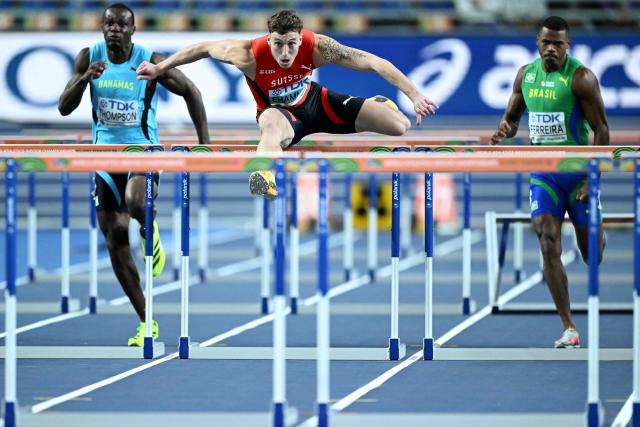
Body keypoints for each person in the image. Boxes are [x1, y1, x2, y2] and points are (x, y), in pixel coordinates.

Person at [137, 9, 438, 198]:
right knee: (269, 122)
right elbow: (201, 48)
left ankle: (378, 103)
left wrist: (414, 94)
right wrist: (160, 69)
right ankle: (262, 176)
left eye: (291, 44)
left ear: (300, 39)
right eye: (278, 44)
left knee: (399, 127)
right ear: (268, 40)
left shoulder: (319, 46)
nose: (285, 53)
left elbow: (372, 61)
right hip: (282, 117)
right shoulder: (246, 54)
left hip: (318, 104)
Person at [58, 3, 210, 347]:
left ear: (132, 30)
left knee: (136, 202)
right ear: (101, 28)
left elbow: (192, 92)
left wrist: (205, 145)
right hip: (103, 157)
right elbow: (64, 108)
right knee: (114, 237)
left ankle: (149, 227)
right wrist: (84, 79)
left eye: (121, 24)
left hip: (143, 150)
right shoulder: (88, 57)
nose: (114, 29)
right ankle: (146, 321)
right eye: (108, 24)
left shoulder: (149, 59)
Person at [491, 16, 608, 348]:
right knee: (546, 237)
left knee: (592, 255)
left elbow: (602, 130)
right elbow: (512, 120)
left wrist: (593, 178)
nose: (552, 49)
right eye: (547, 43)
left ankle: (599, 236)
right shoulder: (525, 76)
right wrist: (505, 130)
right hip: (543, 174)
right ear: (537, 43)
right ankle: (569, 326)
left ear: (567, 45)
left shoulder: (581, 78)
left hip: (578, 175)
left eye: (559, 43)